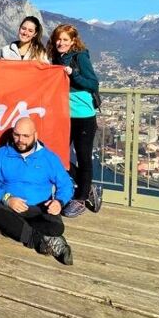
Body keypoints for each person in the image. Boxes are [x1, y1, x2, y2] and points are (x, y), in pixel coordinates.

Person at [0, 117, 74, 265]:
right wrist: (7, 198)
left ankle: (4, 229)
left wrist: (59, 202)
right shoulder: (1, 154)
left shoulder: (49, 157)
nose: (20, 140)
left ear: (35, 135)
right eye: (16, 135)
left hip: (39, 207)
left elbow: (66, 185)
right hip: (10, 206)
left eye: (26, 136)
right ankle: (43, 242)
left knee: (56, 226)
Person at [48, 24, 101, 216]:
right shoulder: (56, 58)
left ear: (73, 41)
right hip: (63, 116)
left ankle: (81, 197)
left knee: (83, 156)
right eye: (58, 39)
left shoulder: (80, 57)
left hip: (83, 116)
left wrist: (73, 74)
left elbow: (92, 83)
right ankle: (87, 186)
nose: (61, 43)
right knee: (58, 157)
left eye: (65, 40)